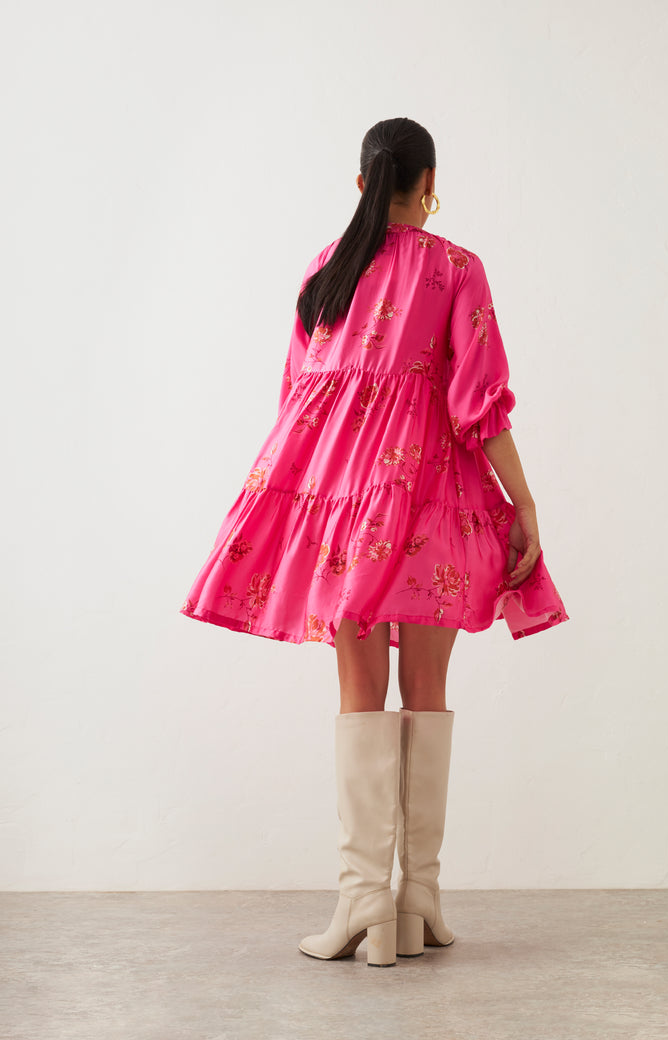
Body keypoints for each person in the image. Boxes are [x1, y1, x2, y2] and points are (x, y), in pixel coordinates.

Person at [180, 117, 569, 967]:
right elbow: (479, 402)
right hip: (433, 500)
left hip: (344, 505)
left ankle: (364, 904)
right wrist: (524, 501)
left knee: (360, 689)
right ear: (428, 183)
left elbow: (297, 400)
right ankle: (419, 897)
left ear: (362, 184)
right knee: (426, 687)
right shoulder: (458, 267)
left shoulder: (325, 269)